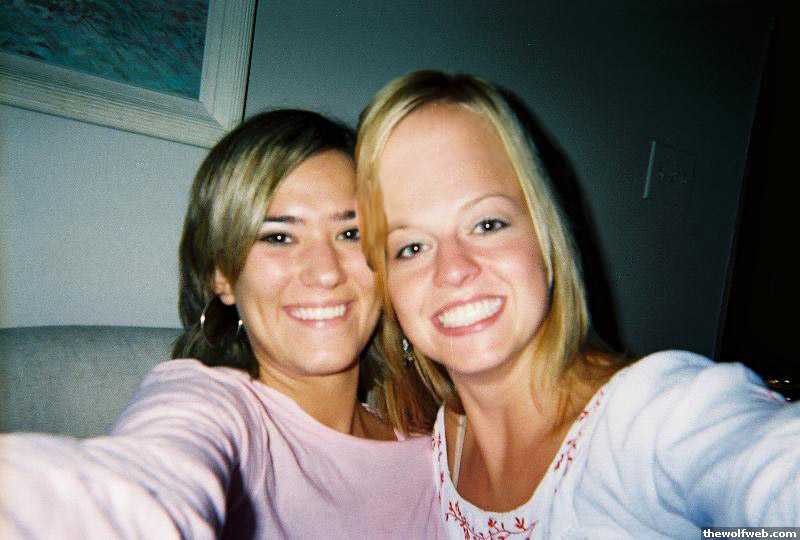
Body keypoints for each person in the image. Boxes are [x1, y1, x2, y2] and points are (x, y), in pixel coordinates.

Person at [356, 70, 800, 538]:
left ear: (545, 239)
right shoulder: (448, 441)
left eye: (487, 224)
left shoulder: (647, 419)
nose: (453, 270)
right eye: (411, 247)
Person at [0, 110, 440, 538]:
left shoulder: (434, 447)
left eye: (351, 234)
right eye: (278, 237)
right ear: (223, 277)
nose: (325, 272)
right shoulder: (213, 407)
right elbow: (140, 486)